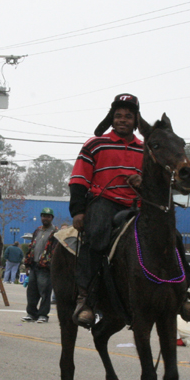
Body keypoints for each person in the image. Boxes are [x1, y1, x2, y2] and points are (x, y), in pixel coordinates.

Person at [68, 93, 144, 327]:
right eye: (118, 115)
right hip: (104, 201)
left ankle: (182, 295)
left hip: (138, 205)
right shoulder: (95, 144)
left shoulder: (146, 149)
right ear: (112, 118)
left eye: (128, 116)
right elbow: (79, 179)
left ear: (136, 120)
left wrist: (143, 182)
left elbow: (157, 183)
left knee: (170, 236)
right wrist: (78, 212)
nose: (123, 119)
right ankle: (85, 299)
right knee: (97, 236)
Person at [22, 208, 58, 323]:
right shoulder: (37, 231)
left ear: (52, 218)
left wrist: (52, 265)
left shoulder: (55, 232)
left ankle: (43, 314)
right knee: (31, 291)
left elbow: (55, 251)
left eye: (48, 216)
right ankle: (31, 313)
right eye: (43, 216)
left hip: (46, 267)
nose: (45, 218)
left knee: (45, 292)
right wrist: (28, 264)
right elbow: (31, 247)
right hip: (34, 265)